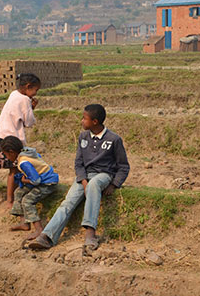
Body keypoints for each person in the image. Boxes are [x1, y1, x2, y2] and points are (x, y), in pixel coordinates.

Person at [30, 104, 129, 251]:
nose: (81, 121)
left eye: (84, 118)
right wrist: (82, 179)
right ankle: (47, 236)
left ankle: (90, 232)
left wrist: (114, 184)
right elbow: (78, 162)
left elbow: (123, 166)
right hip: (84, 176)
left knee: (94, 183)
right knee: (67, 202)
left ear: (95, 122)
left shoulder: (114, 139)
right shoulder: (83, 137)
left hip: (103, 175)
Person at [0, 73, 41, 207]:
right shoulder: (25, 100)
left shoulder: (14, 94)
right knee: (14, 170)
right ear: (28, 87)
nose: (35, 94)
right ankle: (10, 200)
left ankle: (14, 197)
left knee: (14, 170)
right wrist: (32, 108)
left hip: (1, 135)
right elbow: (28, 121)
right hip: (12, 138)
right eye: (35, 90)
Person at [0, 135, 59, 240]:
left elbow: (36, 181)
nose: (6, 158)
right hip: (42, 179)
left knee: (27, 201)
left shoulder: (23, 162)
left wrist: (23, 180)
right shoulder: (26, 151)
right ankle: (24, 223)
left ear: (12, 152)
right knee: (18, 192)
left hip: (47, 183)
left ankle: (39, 229)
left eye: (6, 155)